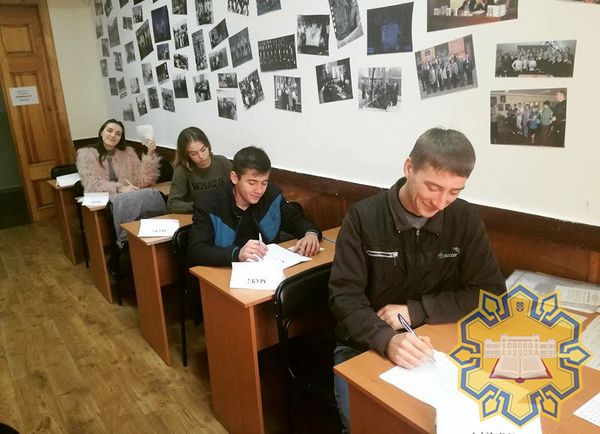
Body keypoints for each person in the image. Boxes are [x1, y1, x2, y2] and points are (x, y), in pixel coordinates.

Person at [329, 128, 505, 431]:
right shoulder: (363, 217)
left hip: (436, 344)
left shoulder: (463, 218)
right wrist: (386, 340)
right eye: (433, 187)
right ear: (409, 167)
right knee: (366, 424)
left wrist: (417, 310)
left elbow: (490, 293)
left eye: (454, 192)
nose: (441, 202)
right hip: (363, 344)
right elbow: (344, 297)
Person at [187, 146, 322, 266]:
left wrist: (310, 234)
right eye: (252, 183)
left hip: (269, 268)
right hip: (226, 273)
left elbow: (294, 220)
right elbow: (196, 251)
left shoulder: (271, 194)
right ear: (234, 178)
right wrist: (237, 254)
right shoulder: (209, 204)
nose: (259, 190)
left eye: (264, 183)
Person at [77, 119, 160, 193]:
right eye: (109, 131)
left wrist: (150, 152)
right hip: (101, 200)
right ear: (101, 133)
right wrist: (119, 189)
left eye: (118, 134)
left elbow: (141, 180)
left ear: (120, 138)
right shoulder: (86, 154)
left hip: (127, 197)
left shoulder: (128, 153)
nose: (113, 135)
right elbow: (92, 185)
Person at [167, 127, 232, 214]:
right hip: (199, 216)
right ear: (186, 155)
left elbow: (238, 188)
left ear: (208, 146)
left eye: (203, 149)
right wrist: (199, 206)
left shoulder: (222, 162)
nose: (201, 156)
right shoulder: (182, 170)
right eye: (194, 154)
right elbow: (172, 204)